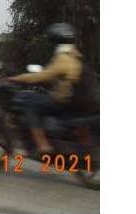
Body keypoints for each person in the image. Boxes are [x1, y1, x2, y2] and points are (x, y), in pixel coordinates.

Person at [5, 23, 83, 155]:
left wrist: (17, 78)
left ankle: (42, 144)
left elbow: (43, 76)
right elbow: (57, 77)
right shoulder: (75, 56)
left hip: (60, 99)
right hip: (69, 98)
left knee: (28, 103)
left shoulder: (63, 58)